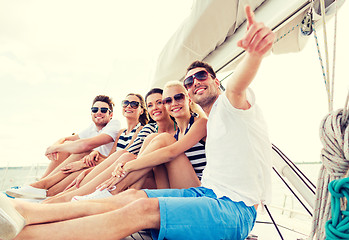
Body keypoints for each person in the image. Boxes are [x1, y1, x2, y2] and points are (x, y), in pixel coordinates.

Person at [0, 6, 273, 240]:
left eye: (201, 76)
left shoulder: (232, 105)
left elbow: (237, 86)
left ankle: (23, 236)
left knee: (139, 210)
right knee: (132, 198)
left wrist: (255, 54)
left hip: (235, 210)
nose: (194, 83)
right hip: (205, 193)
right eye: (189, 81)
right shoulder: (209, 120)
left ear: (215, 80)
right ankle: (25, 211)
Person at [46, 85, 206, 203]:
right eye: (168, 100)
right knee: (142, 147)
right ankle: (104, 194)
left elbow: (170, 153)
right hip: (169, 185)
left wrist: (127, 166)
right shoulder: (173, 133)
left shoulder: (199, 123)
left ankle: (110, 194)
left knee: (143, 149)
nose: (173, 103)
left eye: (178, 98)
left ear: (188, 99)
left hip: (197, 191)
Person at [5, 93, 148, 199]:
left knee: (81, 155)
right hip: (102, 164)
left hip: (116, 170)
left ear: (141, 110)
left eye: (134, 104)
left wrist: (86, 161)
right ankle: (40, 188)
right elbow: (110, 156)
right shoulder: (121, 132)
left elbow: (124, 157)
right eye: (126, 103)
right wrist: (59, 145)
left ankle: (41, 190)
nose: (129, 106)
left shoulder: (138, 129)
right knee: (76, 152)